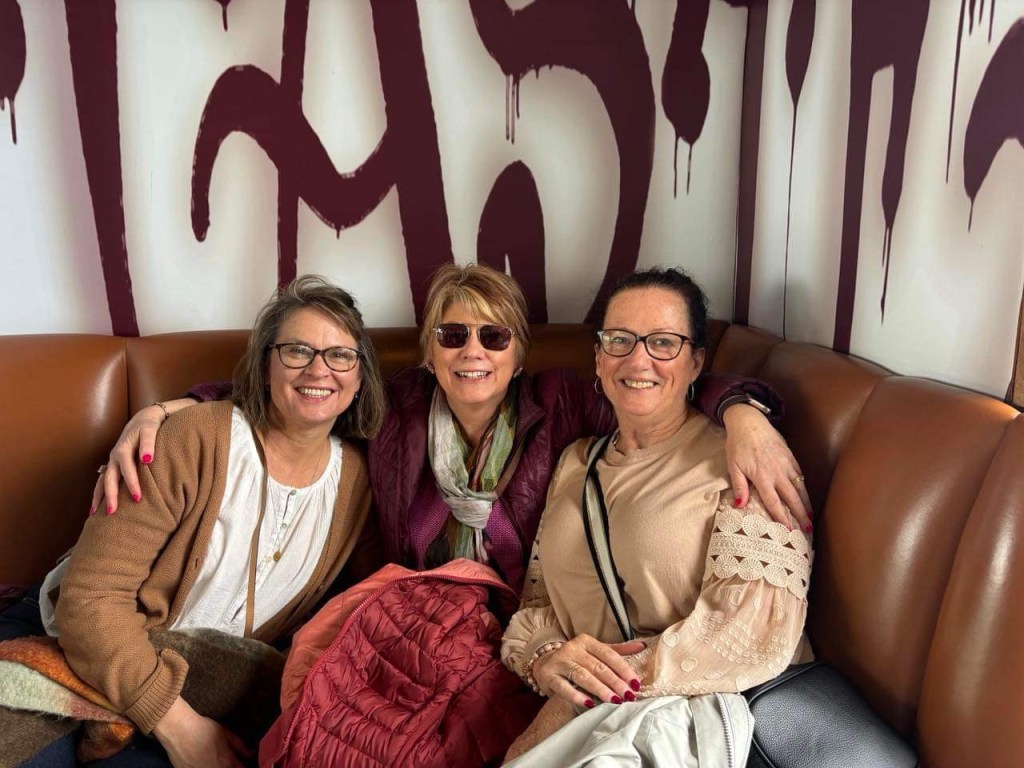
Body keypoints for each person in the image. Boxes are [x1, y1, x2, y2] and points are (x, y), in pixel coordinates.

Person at [92, 264, 811, 595]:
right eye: (453, 335)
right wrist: (168, 409)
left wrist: (743, 412)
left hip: (517, 618)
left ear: (518, 355)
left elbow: (655, 386)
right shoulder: (394, 406)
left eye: (494, 337)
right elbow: (294, 391)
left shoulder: (564, 402)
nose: (474, 351)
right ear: (430, 354)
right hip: (410, 606)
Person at [5, 275, 386, 767]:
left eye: (340, 355)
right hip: (74, 640)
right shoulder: (190, 437)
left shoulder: (357, 481)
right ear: (265, 366)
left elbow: (368, 611)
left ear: (360, 377)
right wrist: (181, 728)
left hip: (203, 682)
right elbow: (90, 600)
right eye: (297, 350)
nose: (319, 369)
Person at [499, 267, 812, 764]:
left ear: (696, 362)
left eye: (663, 342)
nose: (638, 359)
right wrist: (546, 657)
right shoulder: (574, 461)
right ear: (598, 357)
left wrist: (580, 693)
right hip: (589, 718)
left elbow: (751, 633)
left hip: (689, 718)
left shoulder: (745, 461)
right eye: (619, 340)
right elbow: (538, 603)